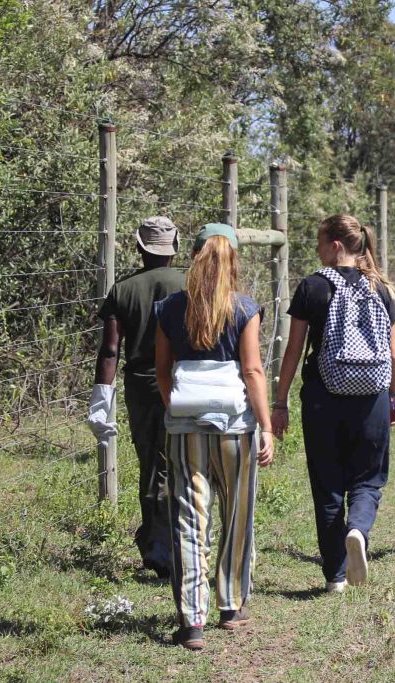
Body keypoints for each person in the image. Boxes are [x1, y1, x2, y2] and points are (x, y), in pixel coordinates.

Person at [154, 223, 274, 650]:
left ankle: (192, 621)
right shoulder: (244, 308)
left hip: (186, 428)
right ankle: (231, 604)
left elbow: (162, 372)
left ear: (194, 257)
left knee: (189, 518)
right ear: (234, 260)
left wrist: (177, 407)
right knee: (237, 512)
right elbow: (253, 371)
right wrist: (266, 425)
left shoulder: (170, 309)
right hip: (235, 427)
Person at [271, 214, 395, 593]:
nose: (317, 249)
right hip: (372, 396)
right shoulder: (382, 288)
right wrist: (393, 395)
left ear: (336, 246)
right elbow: (393, 353)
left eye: (320, 241)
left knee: (327, 484)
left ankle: (335, 577)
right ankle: (358, 529)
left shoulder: (312, 286)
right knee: (368, 478)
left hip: (322, 396)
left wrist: (280, 403)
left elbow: (293, 350)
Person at [88, 216, 185, 578]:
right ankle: (185, 542)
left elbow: (110, 350)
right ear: (174, 247)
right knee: (185, 462)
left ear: (140, 248)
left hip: (143, 384)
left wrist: (102, 397)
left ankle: (158, 548)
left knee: (151, 463)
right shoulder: (191, 283)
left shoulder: (123, 290)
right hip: (185, 381)